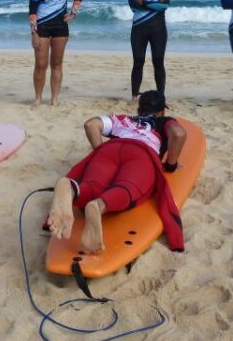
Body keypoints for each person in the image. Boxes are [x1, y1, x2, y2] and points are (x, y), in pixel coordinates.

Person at [46, 90, 187, 254]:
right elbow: (178, 134)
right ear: (162, 112)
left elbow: (91, 124)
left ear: (139, 110)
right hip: (141, 154)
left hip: (110, 150)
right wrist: (170, 166)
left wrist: (99, 154)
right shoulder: (164, 121)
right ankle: (98, 206)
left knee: (93, 186)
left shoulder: (124, 119)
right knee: (126, 189)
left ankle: (71, 187)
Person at [28, 0, 82, 106]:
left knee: (57, 64)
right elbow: (32, 10)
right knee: (41, 65)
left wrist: (72, 14)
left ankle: (54, 99)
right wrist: (34, 33)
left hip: (60, 27)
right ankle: (38, 98)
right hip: (42, 27)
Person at [128, 0, 171, 106]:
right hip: (139, 28)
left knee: (158, 62)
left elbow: (165, 5)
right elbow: (133, 4)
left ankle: (161, 97)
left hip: (158, 28)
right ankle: (134, 96)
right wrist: (155, 3)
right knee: (138, 62)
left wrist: (144, 3)